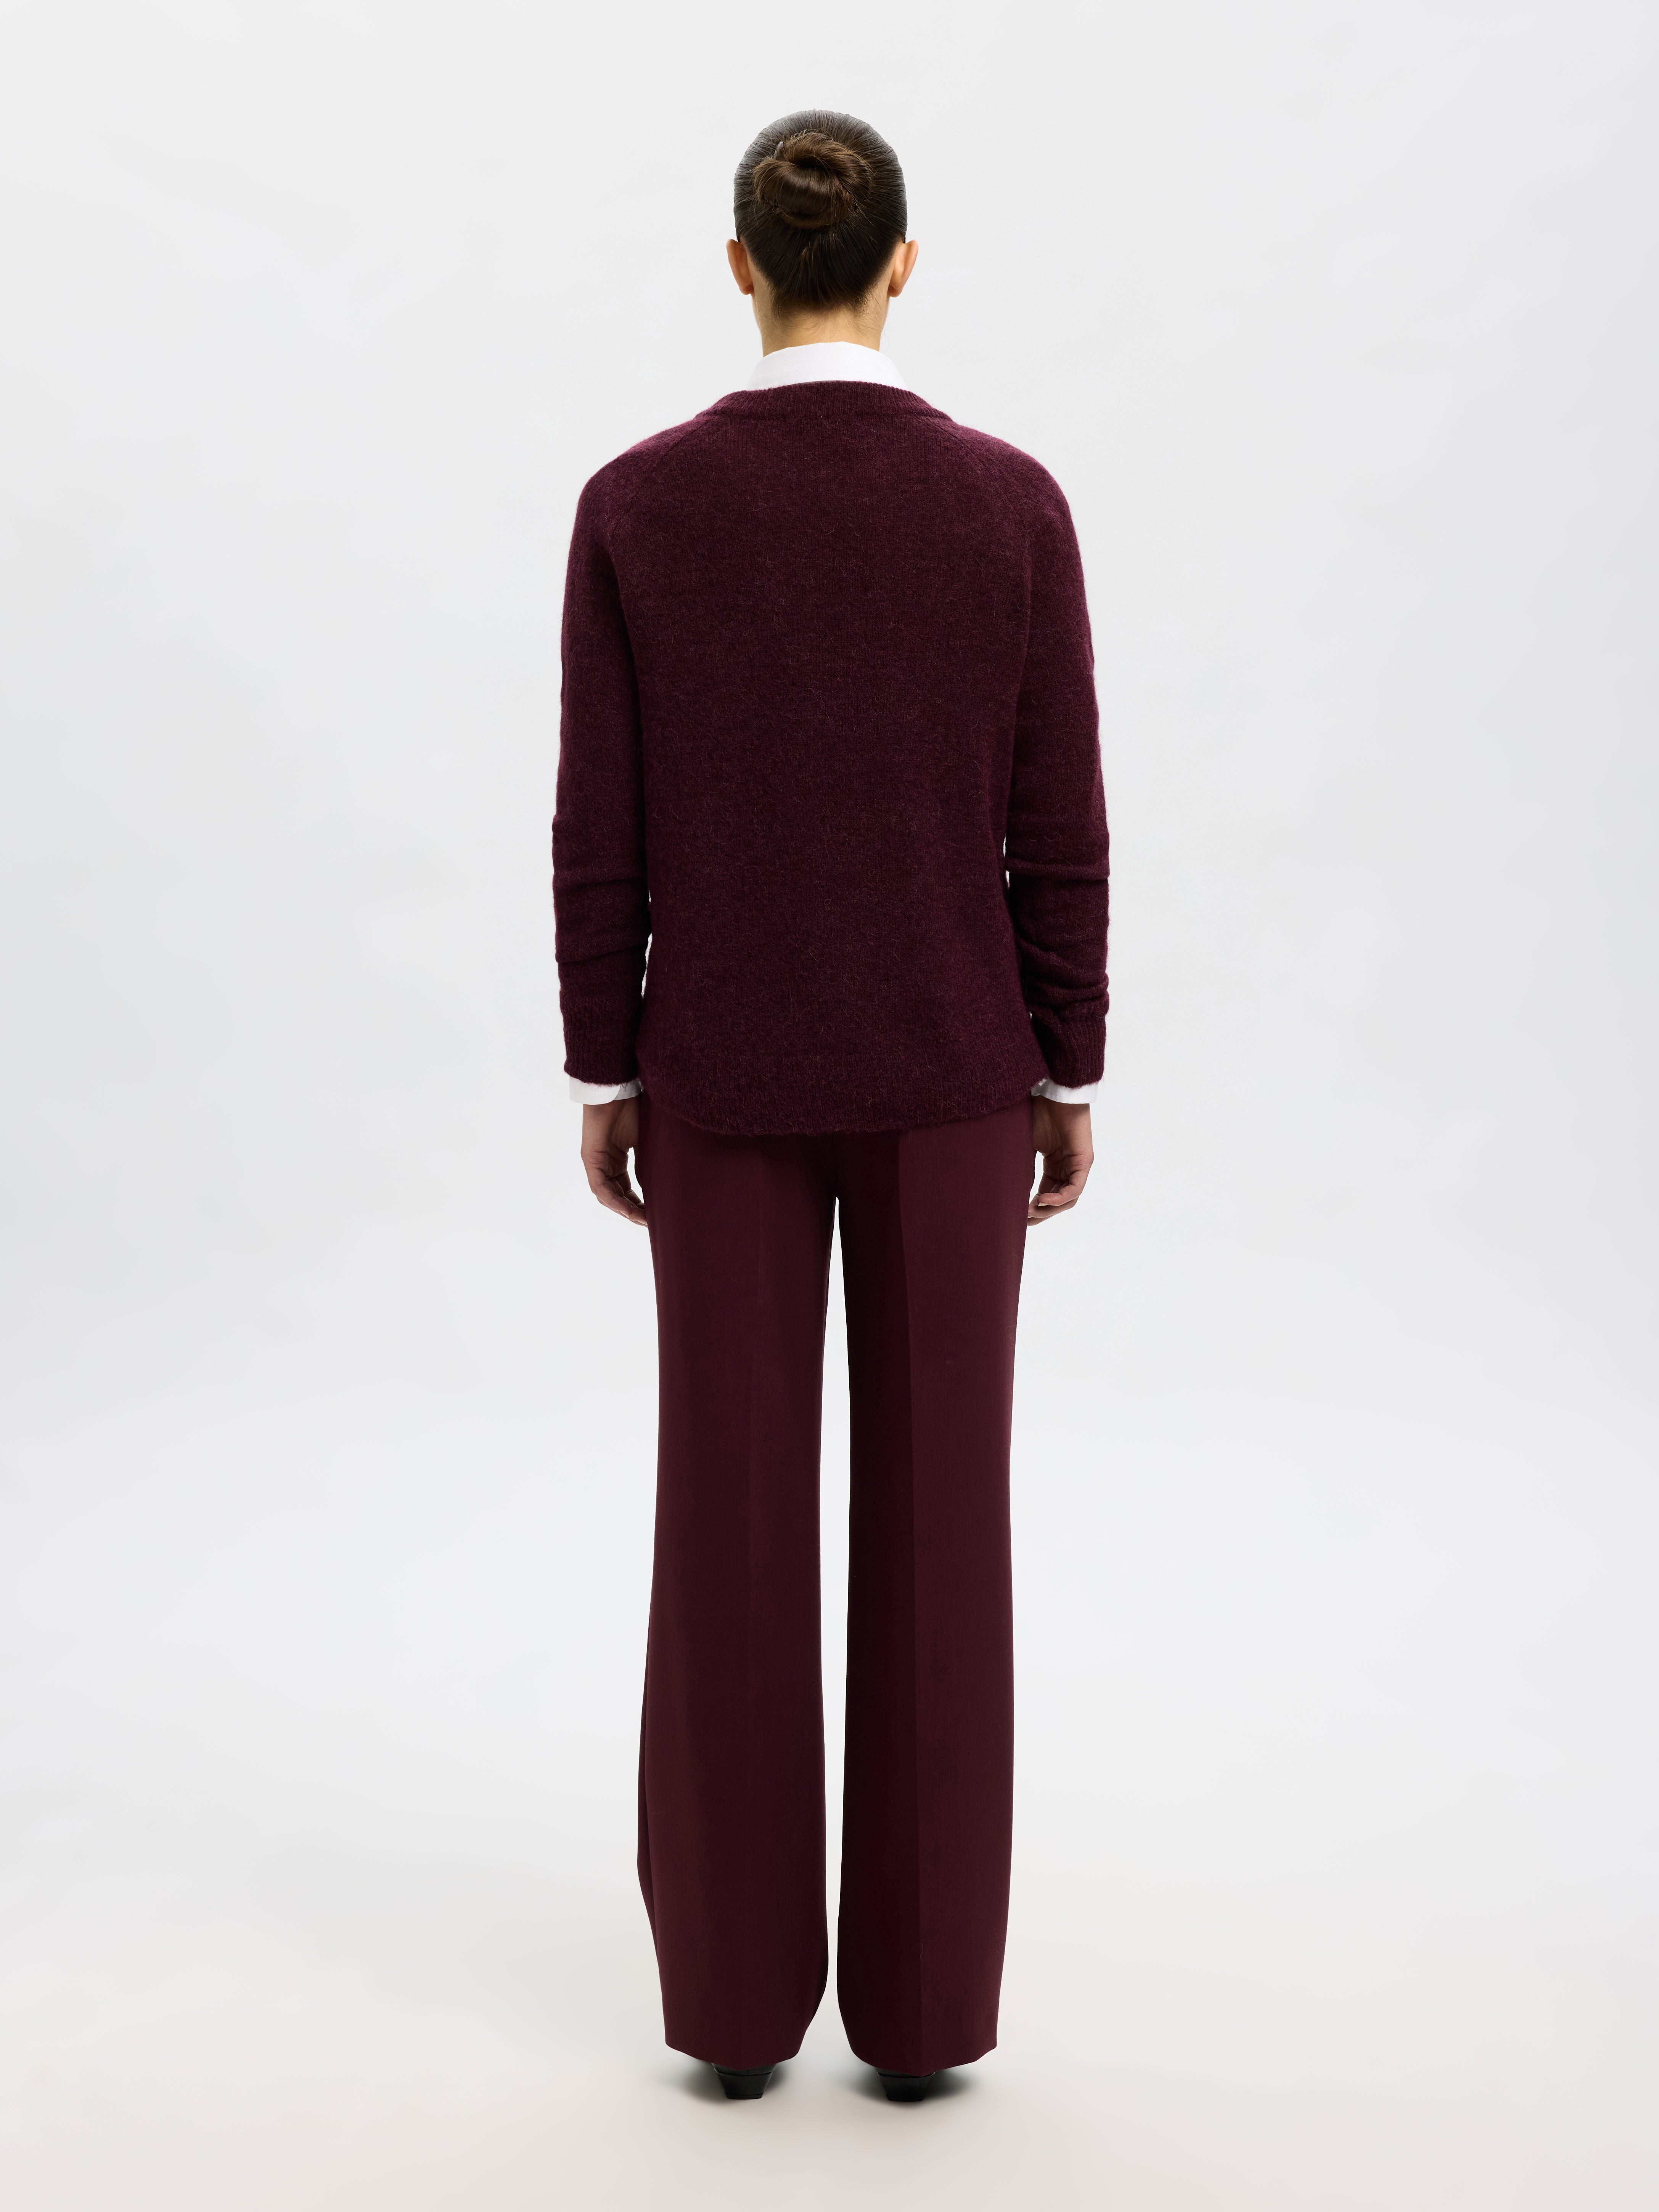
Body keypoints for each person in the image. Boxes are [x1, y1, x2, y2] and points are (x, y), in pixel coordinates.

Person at [552, 109, 1108, 2105]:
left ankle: (730, 2010)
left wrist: (607, 1066)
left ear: (740, 269)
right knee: (946, 1533)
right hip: (958, 1076)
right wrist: (1065, 1062)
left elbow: (600, 821)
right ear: (902, 265)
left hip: (717, 1073)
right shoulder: (1008, 507)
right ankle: (928, 2015)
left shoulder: (639, 506)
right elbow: (1058, 819)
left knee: (727, 1520)